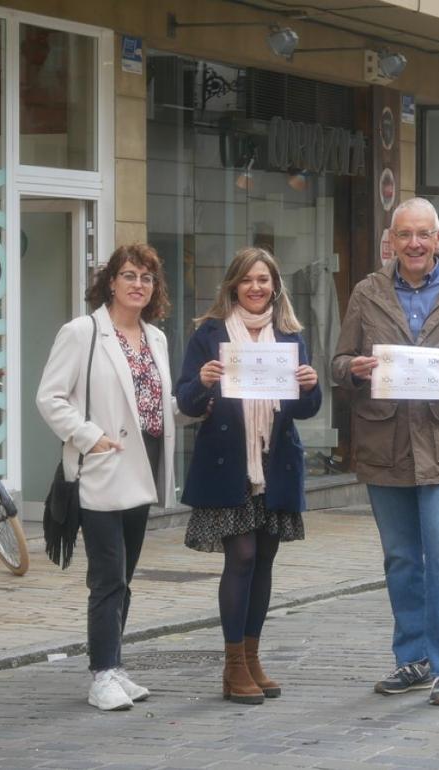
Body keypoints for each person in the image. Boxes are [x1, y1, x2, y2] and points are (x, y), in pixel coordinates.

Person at [332, 197, 439, 706]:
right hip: (384, 443)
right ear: (392, 240)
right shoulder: (368, 292)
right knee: (402, 558)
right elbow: (338, 362)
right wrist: (353, 369)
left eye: (422, 234)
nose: (413, 244)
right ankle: (413, 658)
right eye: (404, 235)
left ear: (438, 238)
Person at [176, 248, 321, 705]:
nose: (255, 287)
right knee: (240, 555)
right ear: (233, 286)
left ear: (274, 286)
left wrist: (310, 386)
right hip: (229, 464)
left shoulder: (289, 336)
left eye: (263, 280)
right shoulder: (210, 334)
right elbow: (186, 401)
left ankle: (253, 657)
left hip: (275, 463)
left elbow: (304, 410)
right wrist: (202, 381)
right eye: (247, 280)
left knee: (264, 558)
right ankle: (233, 663)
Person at [37, 244, 176, 711]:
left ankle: (114, 667)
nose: (138, 284)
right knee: (108, 576)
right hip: (102, 467)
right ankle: (101, 676)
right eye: (129, 275)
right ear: (111, 282)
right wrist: (88, 436)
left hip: (143, 468)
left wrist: (197, 405)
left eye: (147, 278)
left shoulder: (156, 338)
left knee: (125, 576)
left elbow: (156, 407)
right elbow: (50, 397)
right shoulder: (82, 332)